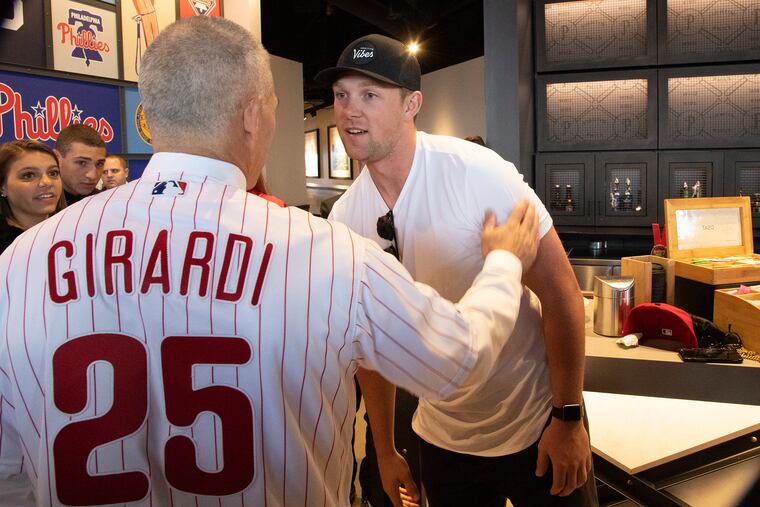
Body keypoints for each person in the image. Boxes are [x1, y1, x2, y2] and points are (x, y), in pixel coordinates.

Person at [0, 17, 543, 507]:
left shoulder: (18, 264)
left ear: (150, 116)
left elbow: (9, 475)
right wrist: (503, 263)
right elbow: (460, 361)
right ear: (253, 116)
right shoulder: (327, 253)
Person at [317, 34, 597, 506]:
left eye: (369, 94)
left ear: (412, 104)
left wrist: (567, 418)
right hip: (442, 440)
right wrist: (384, 450)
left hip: (536, 425)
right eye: (341, 96)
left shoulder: (477, 172)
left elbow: (560, 292)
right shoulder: (345, 219)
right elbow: (371, 352)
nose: (349, 111)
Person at [0, 140, 65, 254]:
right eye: (28, 175)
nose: (46, 182)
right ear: (2, 187)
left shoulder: (74, 230)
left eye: (53, 173)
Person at [54, 123, 107, 204]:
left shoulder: (105, 204)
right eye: (82, 163)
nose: (93, 176)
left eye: (99, 164)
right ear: (57, 158)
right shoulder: (36, 208)